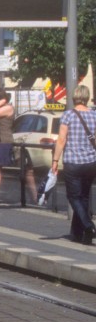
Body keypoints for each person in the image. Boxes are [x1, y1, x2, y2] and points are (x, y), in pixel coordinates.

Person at [51, 85, 96, 244]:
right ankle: (79, 234)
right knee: (84, 197)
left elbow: (61, 140)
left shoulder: (68, 115)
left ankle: (89, 225)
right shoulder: (94, 115)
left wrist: (55, 160)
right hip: (91, 162)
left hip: (72, 162)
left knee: (73, 197)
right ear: (87, 97)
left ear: (74, 97)